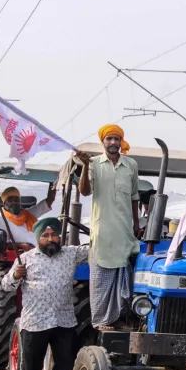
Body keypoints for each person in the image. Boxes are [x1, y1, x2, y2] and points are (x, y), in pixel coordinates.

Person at [0, 219, 89, 370]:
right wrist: (15, 275)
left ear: (59, 237)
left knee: (66, 368)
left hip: (64, 321)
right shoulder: (25, 259)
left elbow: (95, 250)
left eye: (54, 235)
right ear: (37, 238)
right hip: (34, 322)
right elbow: (5, 286)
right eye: (45, 235)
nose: (50, 239)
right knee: (33, 368)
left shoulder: (71, 254)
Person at [75, 125, 141, 330]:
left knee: (122, 277)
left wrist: (137, 224)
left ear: (121, 142)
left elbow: (134, 196)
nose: (113, 142)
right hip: (102, 232)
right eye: (109, 139)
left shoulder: (131, 165)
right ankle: (101, 321)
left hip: (124, 231)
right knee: (101, 279)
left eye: (116, 139)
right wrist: (85, 166)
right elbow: (85, 191)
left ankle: (118, 319)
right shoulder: (94, 163)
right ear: (103, 142)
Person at [0, 184, 57, 250]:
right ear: (4, 203)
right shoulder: (0, 219)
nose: (14, 202)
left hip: (43, 249)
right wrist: (21, 246)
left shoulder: (28, 213)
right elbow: (2, 244)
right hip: (22, 254)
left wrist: (54, 187)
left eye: (16, 199)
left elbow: (48, 202)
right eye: (10, 200)